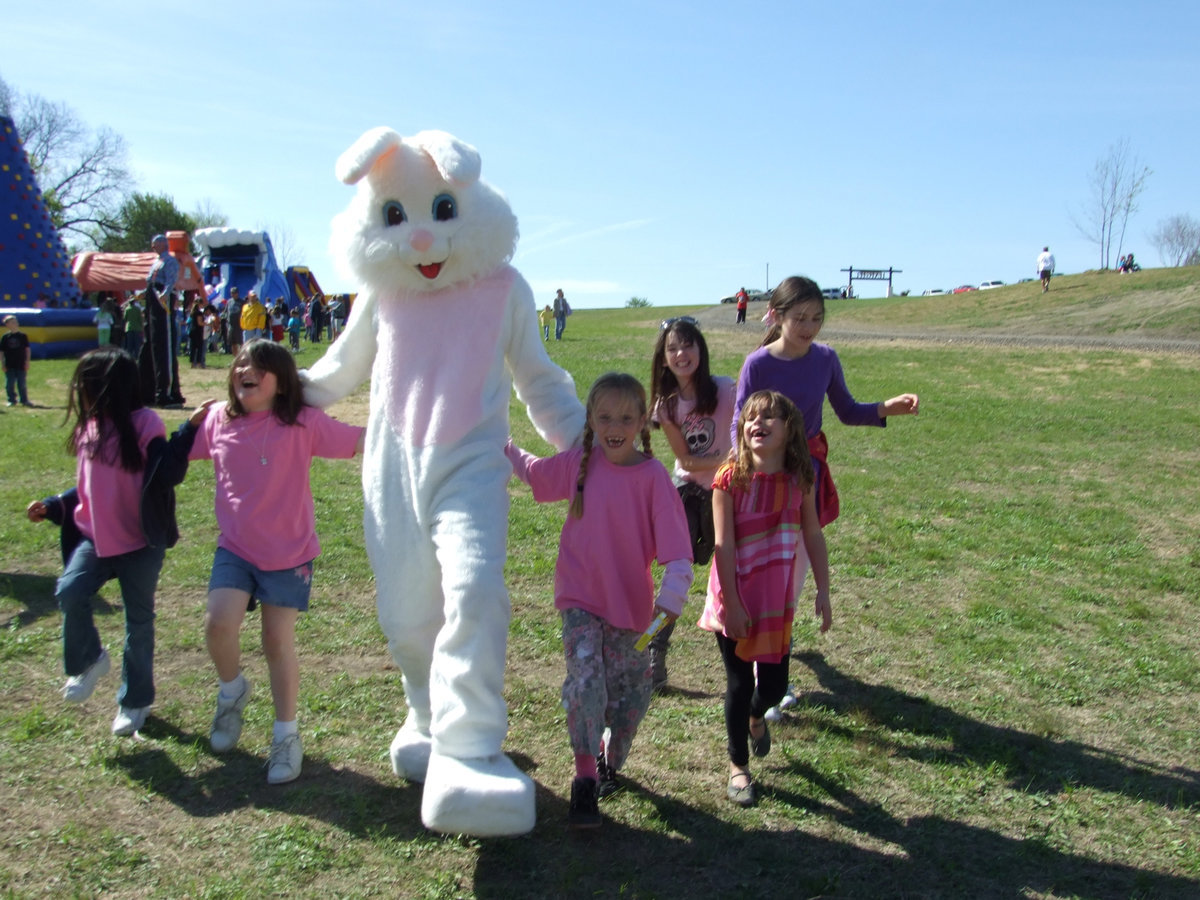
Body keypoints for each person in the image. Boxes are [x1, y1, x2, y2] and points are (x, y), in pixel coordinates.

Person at [505, 373, 692, 828]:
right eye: (605, 416)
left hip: (634, 615)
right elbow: (533, 474)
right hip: (580, 601)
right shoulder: (579, 464)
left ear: (641, 422)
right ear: (590, 419)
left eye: (626, 417)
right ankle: (585, 778)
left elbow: (679, 555)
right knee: (587, 682)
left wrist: (669, 602)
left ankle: (610, 757)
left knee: (631, 698)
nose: (615, 425)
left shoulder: (652, 478)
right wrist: (501, 441)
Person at [733, 276, 917, 714]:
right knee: (762, 570)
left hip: (803, 474)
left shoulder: (826, 359)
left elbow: (848, 411)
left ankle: (775, 668)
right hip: (760, 479)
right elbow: (740, 422)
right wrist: (737, 475)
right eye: (800, 318)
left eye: (817, 318)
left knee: (792, 572)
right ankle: (760, 665)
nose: (810, 327)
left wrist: (884, 409)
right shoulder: (757, 364)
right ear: (777, 317)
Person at [188, 339, 365, 784]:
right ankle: (232, 693)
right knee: (218, 624)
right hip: (235, 548)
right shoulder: (216, 420)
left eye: (259, 367)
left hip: (288, 554)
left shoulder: (303, 423)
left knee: (276, 641)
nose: (245, 370)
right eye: (241, 363)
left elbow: (362, 441)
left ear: (282, 381)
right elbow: (171, 452)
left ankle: (286, 737)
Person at [25, 347, 209, 736]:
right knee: (69, 592)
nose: (81, 392)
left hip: (140, 543)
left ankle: (135, 702)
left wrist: (188, 430)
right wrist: (54, 505)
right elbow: (88, 489)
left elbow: (169, 472)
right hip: (96, 540)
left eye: (86, 384)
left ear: (107, 387)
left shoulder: (144, 424)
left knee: (137, 623)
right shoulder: (88, 428)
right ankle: (89, 661)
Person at [700, 390, 831, 807]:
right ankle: (738, 767)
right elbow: (722, 545)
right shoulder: (729, 478)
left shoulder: (801, 478)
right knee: (739, 683)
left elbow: (812, 533)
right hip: (734, 594)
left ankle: (758, 718)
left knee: (772, 686)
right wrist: (733, 604)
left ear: (790, 429)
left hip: (776, 600)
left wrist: (824, 590)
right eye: (753, 417)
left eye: (772, 417)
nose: (760, 423)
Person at [647, 316, 736, 689]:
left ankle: (751, 660)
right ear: (663, 358)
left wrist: (735, 467)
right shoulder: (666, 407)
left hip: (729, 495)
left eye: (688, 345)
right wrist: (731, 462)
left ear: (701, 349)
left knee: (736, 571)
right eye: (672, 348)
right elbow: (685, 462)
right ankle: (650, 649)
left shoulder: (727, 390)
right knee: (676, 577)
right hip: (685, 494)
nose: (681, 354)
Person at [141, 234, 185, 408]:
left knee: (164, 347)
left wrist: (164, 295)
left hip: (162, 305)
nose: (152, 247)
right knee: (150, 347)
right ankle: (148, 390)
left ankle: (167, 392)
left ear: (163, 244)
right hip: (151, 303)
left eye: (155, 244)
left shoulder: (170, 261)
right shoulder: (155, 263)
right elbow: (150, 282)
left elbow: (171, 281)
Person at [2, 315, 33, 407]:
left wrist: (27, 362)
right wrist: (3, 364)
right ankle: (11, 400)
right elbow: (2, 352)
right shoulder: (5, 337)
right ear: (7, 325)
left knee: (22, 383)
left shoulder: (23, 336)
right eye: (12, 322)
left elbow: (27, 350)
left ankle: (24, 400)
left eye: (16, 321)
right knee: (9, 384)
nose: (15, 323)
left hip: (21, 363)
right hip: (9, 364)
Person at [122, 296, 144, 360]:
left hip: (129, 328)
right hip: (137, 328)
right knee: (137, 344)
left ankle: (129, 357)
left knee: (130, 344)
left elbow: (125, 318)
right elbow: (140, 319)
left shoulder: (127, 309)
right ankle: (138, 356)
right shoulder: (137, 309)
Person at [188, 299, 207, 369]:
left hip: (192, 331)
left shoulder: (192, 312)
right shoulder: (199, 313)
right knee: (199, 348)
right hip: (198, 331)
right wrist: (207, 323)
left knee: (193, 348)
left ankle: (192, 363)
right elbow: (199, 323)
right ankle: (199, 363)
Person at [225, 287, 244, 356]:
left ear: (237, 293)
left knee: (241, 342)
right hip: (231, 325)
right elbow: (226, 311)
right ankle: (235, 359)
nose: (232, 294)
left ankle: (242, 358)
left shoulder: (242, 302)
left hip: (239, 325)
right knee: (233, 343)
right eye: (231, 293)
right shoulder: (229, 302)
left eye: (234, 293)